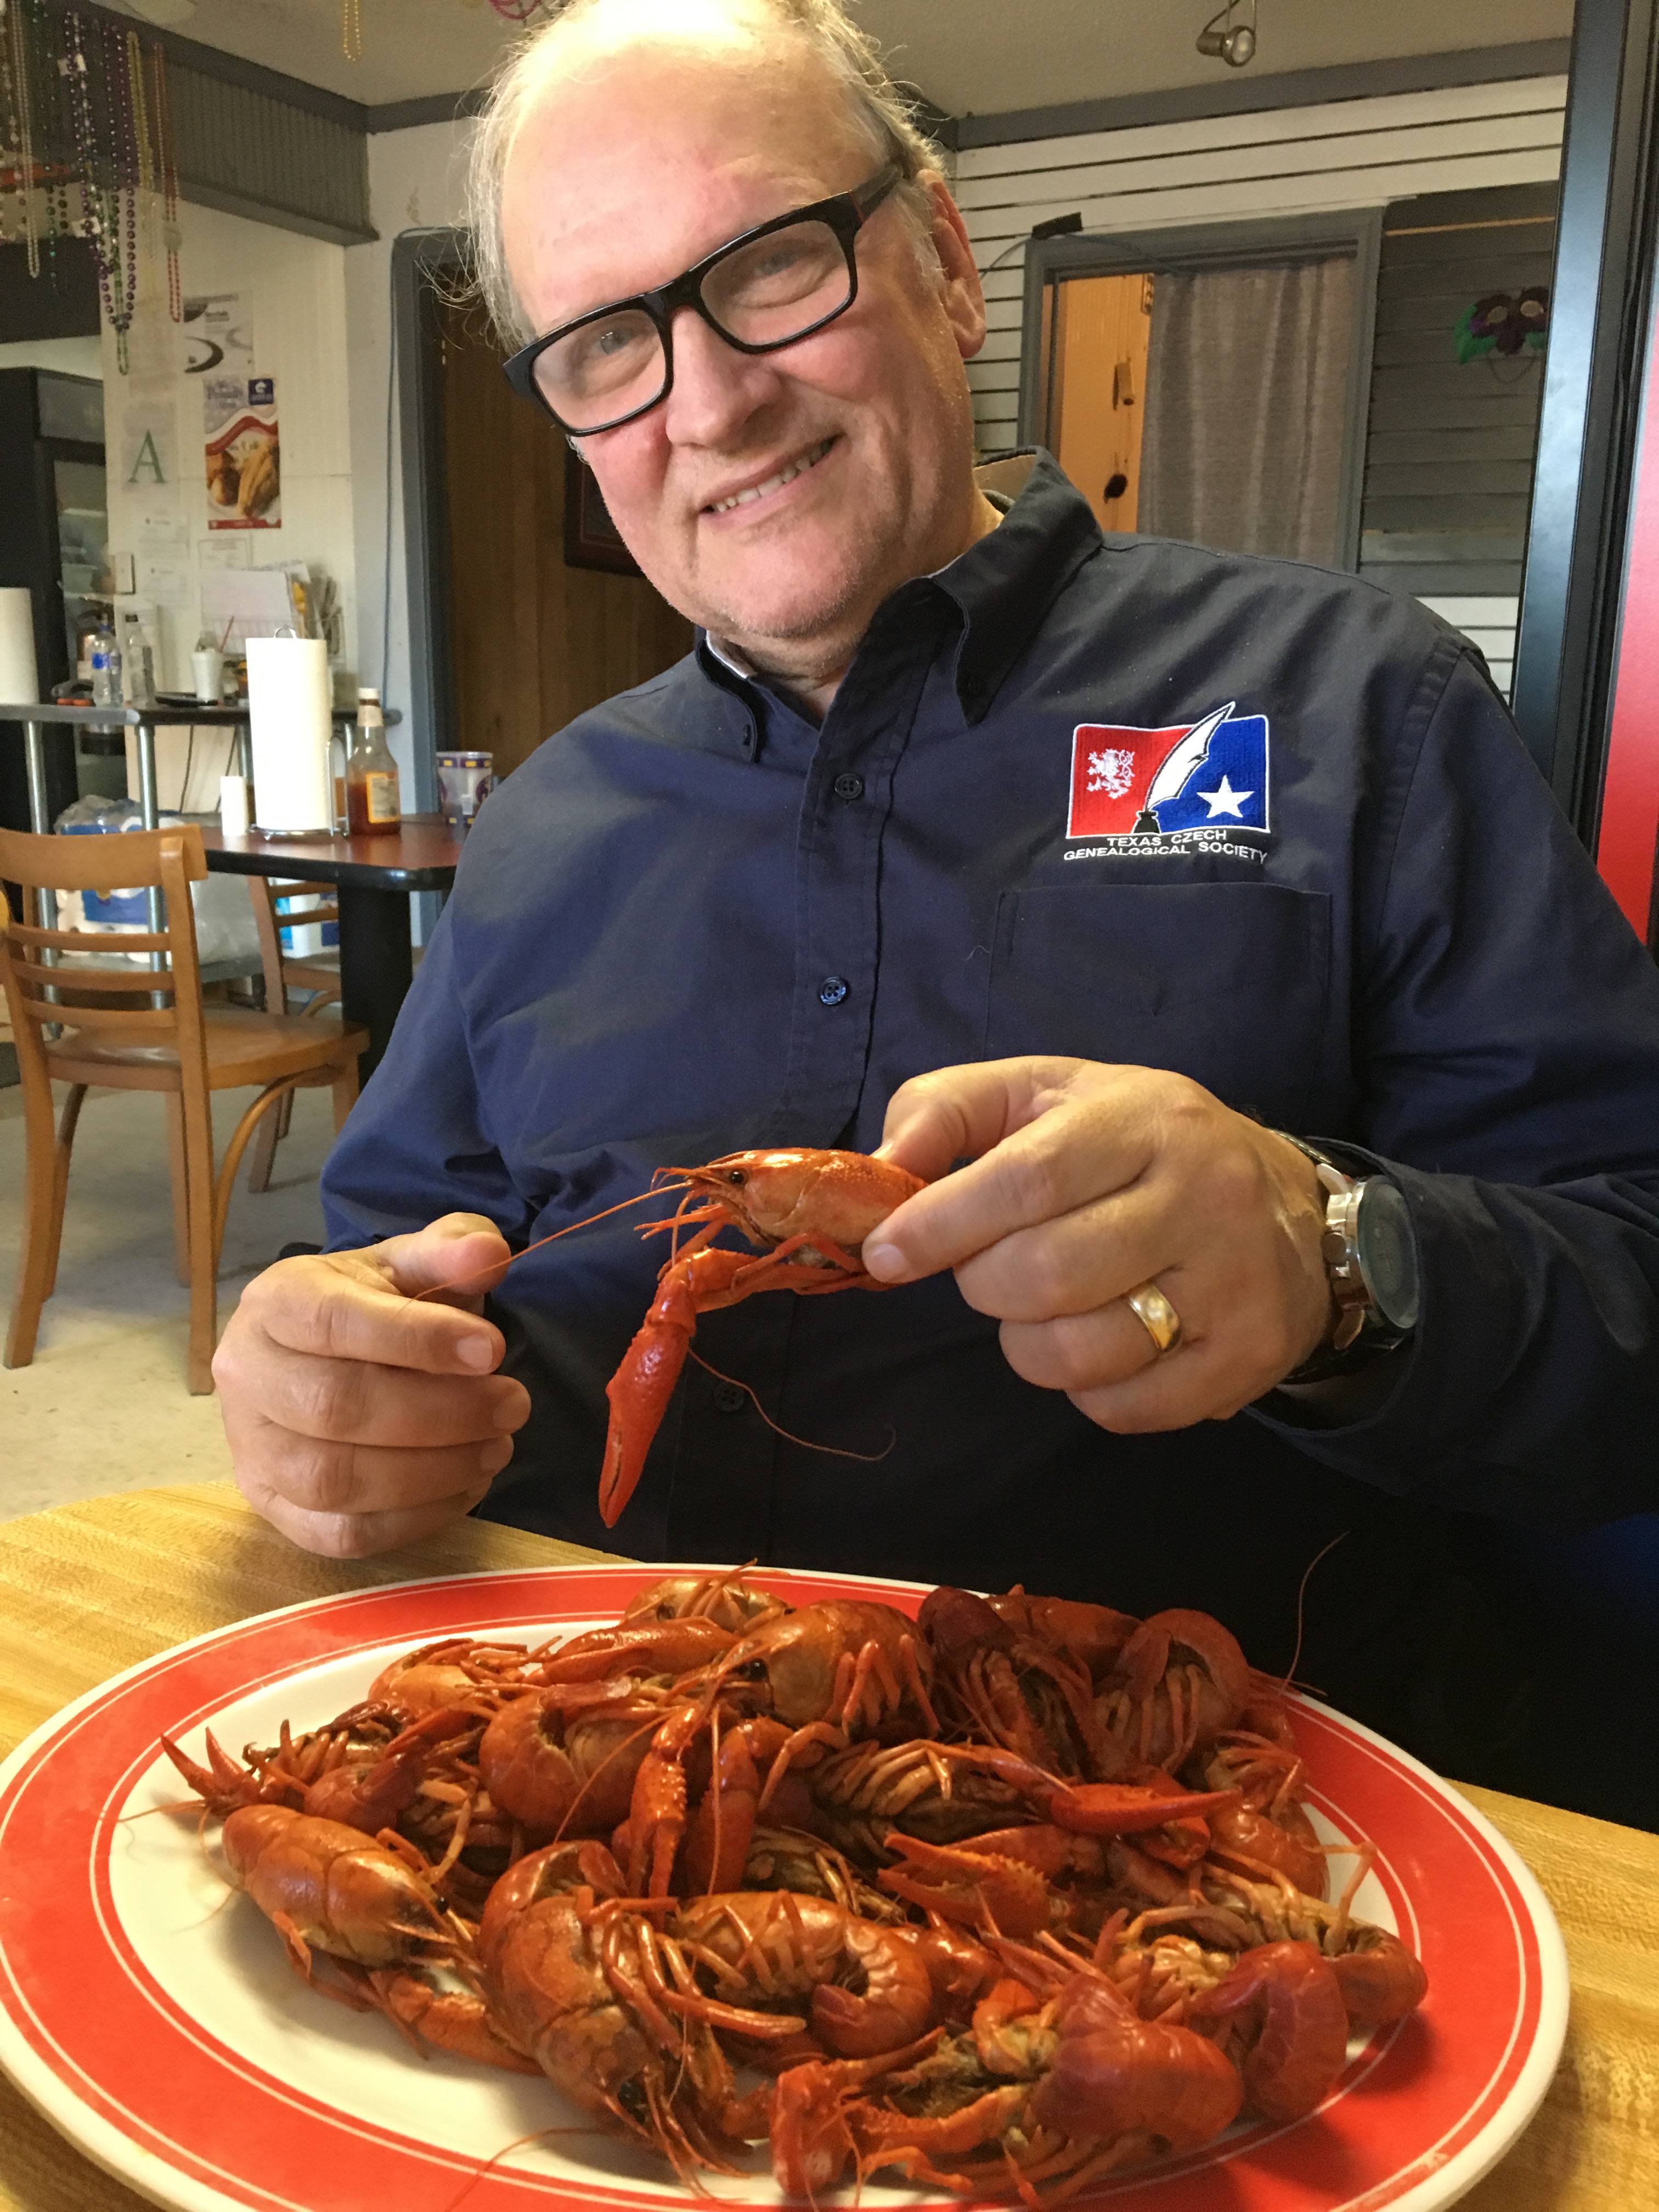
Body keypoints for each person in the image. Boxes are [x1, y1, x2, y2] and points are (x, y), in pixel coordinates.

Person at [215, 0, 1659, 1822]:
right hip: (621, 1814)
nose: (712, 398)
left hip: (1192, 1845)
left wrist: (1333, 1251)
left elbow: (1639, 1291)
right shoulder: (542, 823)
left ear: (948, 262)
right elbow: (388, 1264)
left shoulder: (1358, 701)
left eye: (773, 268)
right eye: (605, 349)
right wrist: (316, 1362)